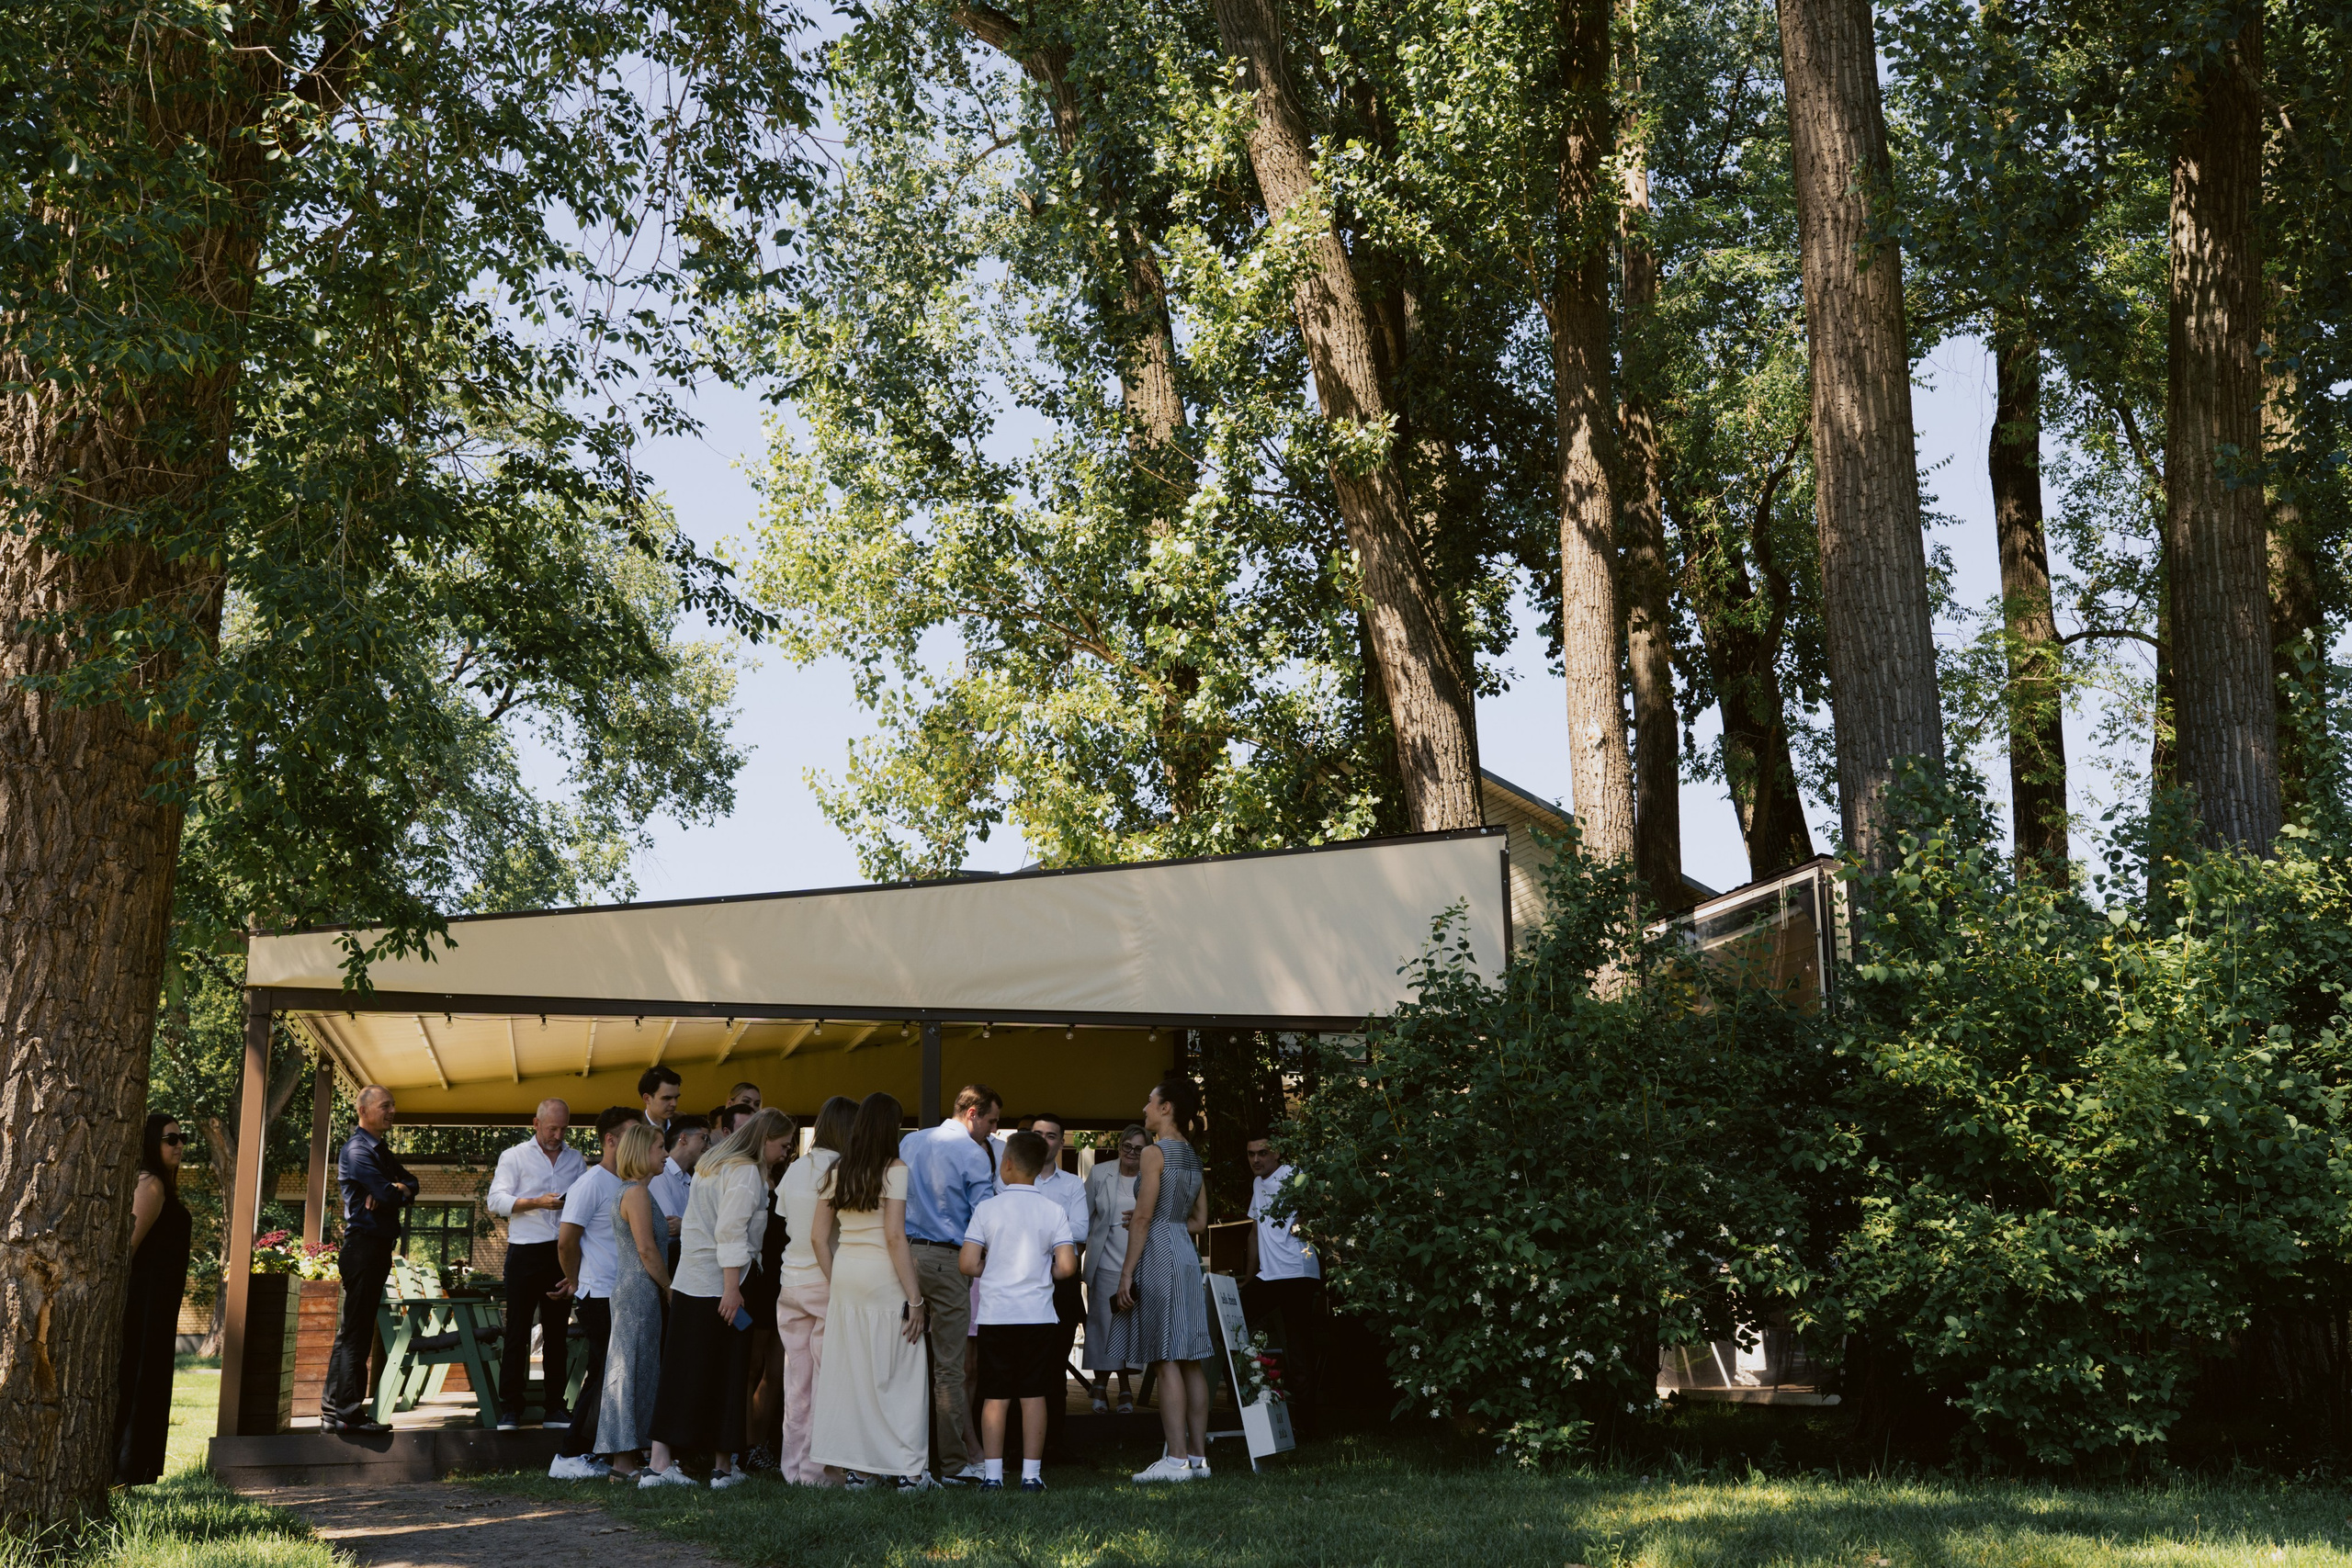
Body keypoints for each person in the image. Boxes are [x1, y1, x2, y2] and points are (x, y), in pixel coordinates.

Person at [640, 1107, 796, 1490]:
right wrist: (732, 1289)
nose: (785, 1153)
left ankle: (662, 1462)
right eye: (783, 1145)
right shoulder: (744, 1171)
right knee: (728, 1373)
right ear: (764, 1139)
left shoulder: (712, 1163)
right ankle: (722, 1467)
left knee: (681, 1371)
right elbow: (731, 1232)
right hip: (722, 1285)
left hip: (692, 1281)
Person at [809, 1093, 932, 1491]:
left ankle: (859, 1471)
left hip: (847, 1275)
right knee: (903, 1373)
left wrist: (838, 1283)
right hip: (884, 1276)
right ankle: (909, 1471)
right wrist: (916, 1300)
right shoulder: (895, 1168)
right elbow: (895, 1237)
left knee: (855, 1375)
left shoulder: (836, 1170)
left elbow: (818, 1238)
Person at [960, 1131, 1079, 1493]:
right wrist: (1045, 1270)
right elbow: (1067, 1266)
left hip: (996, 1315)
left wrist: (991, 1267)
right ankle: (1031, 1475)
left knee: (995, 1396)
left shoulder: (987, 1209)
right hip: (1038, 1315)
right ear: (1040, 1166)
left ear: (1007, 1164)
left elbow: (967, 1263)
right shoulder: (1053, 1210)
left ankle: (993, 1475)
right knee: (1034, 1394)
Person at [1111, 1079, 1213, 1483]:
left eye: (1150, 1102)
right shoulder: (1192, 1155)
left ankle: (1175, 1461)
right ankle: (1199, 1459)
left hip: (1159, 1257)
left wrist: (1126, 1273)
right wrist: (1165, 1222)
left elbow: (1142, 1217)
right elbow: (1199, 1222)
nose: (1145, 1107)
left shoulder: (1155, 1152)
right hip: (1185, 1256)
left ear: (1167, 1107)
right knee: (1190, 1358)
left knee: (1166, 1356)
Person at [899, 1082, 1000, 1483]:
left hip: (904, 1256)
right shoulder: (972, 1154)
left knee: (902, 1364)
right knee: (950, 1369)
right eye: (991, 1121)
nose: (993, 1130)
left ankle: (902, 1460)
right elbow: (984, 1218)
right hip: (947, 1259)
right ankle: (954, 1464)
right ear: (972, 1113)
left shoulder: (911, 1142)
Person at [484, 1098, 584, 1429]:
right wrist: (536, 1202)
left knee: (557, 1333)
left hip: (562, 1253)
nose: (558, 1135)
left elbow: (585, 1201)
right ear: (536, 1124)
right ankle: (511, 1409)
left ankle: (555, 1407)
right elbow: (495, 1201)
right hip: (525, 1252)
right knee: (517, 1332)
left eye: (563, 1129)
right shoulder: (514, 1156)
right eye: (552, 1128)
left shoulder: (575, 1159)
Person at [323, 1086, 416, 1432]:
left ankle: (332, 1412)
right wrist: (392, 1190)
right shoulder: (358, 1150)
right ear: (363, 1110)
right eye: (385, 1106)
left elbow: (411, 1183)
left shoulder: (380, 1150)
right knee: (356, 1334)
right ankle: (348, 1414)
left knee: (353, 1331)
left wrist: (398, 1189)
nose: (392, 1111)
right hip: (363, 1248)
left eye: (393, 1105)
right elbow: (384, 1194)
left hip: (374, 1248)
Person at [548, 1105, 636, 1478]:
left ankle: (592, 1453)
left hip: (620, 1294)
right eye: (632, 1134)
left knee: (608, 1376)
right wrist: (575, 1280)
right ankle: (568, 1456)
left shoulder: (628, 1183)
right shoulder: (590, 1183)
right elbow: (566, 1241)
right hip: (598, 1295)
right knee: (603, 1376)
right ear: (610, 1140)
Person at [775, 1095, 855, 1485]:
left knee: (797, 1382)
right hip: (826, 1279)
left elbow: (784, 1217)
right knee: (827, 1381)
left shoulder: (795, 1168)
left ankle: (793, 1468)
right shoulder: (843, 1170)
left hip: (790, 1280)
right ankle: (818, 1471)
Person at [1006, 1113, 1090, 1457]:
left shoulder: (1072, 1185)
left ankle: (1053, 1443)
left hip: (1060, 1286)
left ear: (1061, 1142)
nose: (1043, 1140)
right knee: (1017, 1363)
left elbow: (1081, 1230)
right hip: (1020, 1283)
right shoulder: (1009, 1182)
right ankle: (1014, 1445)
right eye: (1037, 1133)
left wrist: (1035, 1232)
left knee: (1055, 1366)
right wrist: (1055, 1231)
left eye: (1051, 1135)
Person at [114, 1112, 191, 1483]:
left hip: (158, 1308)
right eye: (170, 1139)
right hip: (143, 1308)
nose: (179, 1145)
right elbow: (128, 1249)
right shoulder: (150, 1184)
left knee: (150, 1383)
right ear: (150, 1143)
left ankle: (130, 1473)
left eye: (182, 1138)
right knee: (138, 1381)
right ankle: (122, 1470)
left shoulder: (161, 1184)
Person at [599, 1123, 674, 1479]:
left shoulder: (632, 1191)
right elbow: (646, 1249)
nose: (666, 1154)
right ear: (642, 1152)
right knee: (631, 1371)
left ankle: (626, 1458)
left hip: (634, 1289)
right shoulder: (637, 1193)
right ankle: (622, 1461)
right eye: (660, 1147)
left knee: (635, 1369)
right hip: (640, 1290)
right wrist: (669, 1286)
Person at [1242, 1132, 1326, 1436]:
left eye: (1262, 1153)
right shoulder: (1258, 1183)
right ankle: (1254, 1400)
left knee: (1298, 1345)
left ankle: (1308, 1425)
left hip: (1297, 1273)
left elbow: (1317, 1211)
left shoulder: (1294, 1175)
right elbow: (1254, 1234)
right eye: (1251, 1154)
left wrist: (1302, 1223)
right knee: (1235, 1321)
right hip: (1269, 1275)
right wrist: (1249, 1280)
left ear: (1277, 1153)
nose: (1256, 1159)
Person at [1082, 1125, 1147, 1414]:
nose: (1131, 1153)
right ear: (1119, 1146)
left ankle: (1115, 1386)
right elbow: (1084, 1218)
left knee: (1129, 1328)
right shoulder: (1100, 1173)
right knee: (1102, 1327)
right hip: (1105, 1260)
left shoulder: (1152, 1176)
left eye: (1138, 1148)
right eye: (1126, 1146)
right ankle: (1111, 1388)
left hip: (1140, 1264)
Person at [649, 1114, 708, 1275]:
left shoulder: (689, 1180)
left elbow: (683, 1225)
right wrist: (693, 1226)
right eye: (704, 1138)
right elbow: (669, 1227)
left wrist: (685, 1225)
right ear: (684, 1138)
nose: (708, 1146)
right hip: (666, 1266)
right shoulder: (660, 1174)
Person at [639, 1066, 683, 1134]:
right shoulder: (634, 1130)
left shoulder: (683, 1122)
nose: (674, 1104)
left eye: (676, 1097)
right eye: (667, 1098)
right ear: (647, 1099)